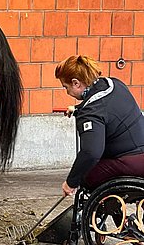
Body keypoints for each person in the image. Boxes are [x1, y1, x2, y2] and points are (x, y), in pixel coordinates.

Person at [55, 55, 144, 197]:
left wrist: (71, 182)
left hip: (130, 161)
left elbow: (91, 153)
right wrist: (78, 109)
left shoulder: (90, 113)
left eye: (66, 87)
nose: (67, 92)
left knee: (87, 176)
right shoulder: (114, 84)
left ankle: (119, 216)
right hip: (139, 154)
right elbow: (106, 107)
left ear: (76, 83)